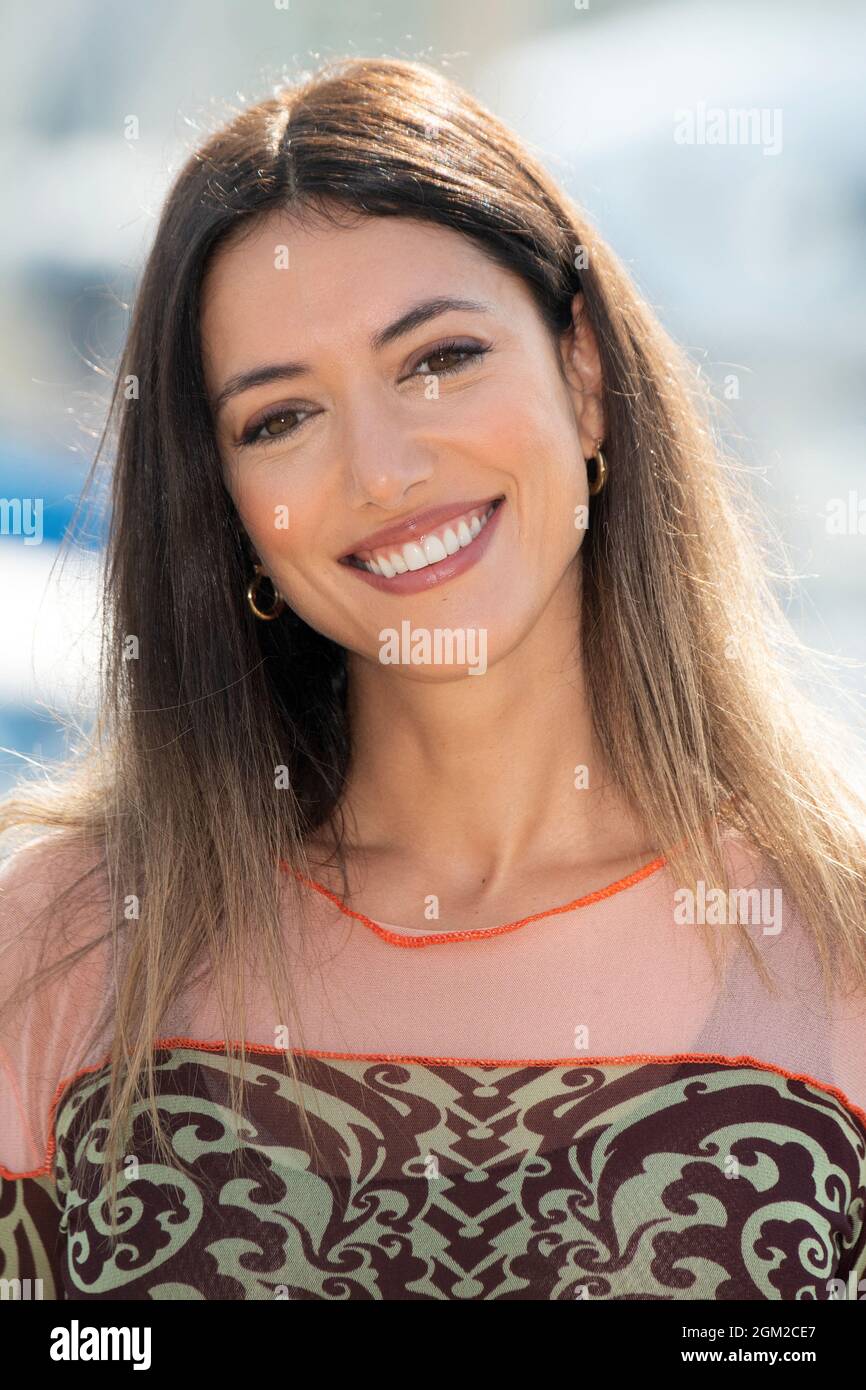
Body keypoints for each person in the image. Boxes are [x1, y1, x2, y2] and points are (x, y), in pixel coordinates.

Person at [1, 56, 865, 1302]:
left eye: (439, 358)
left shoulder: (838, 944)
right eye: (279, 418)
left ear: (582, 376)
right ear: (232, 510)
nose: (385, 469)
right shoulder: (70, 944)